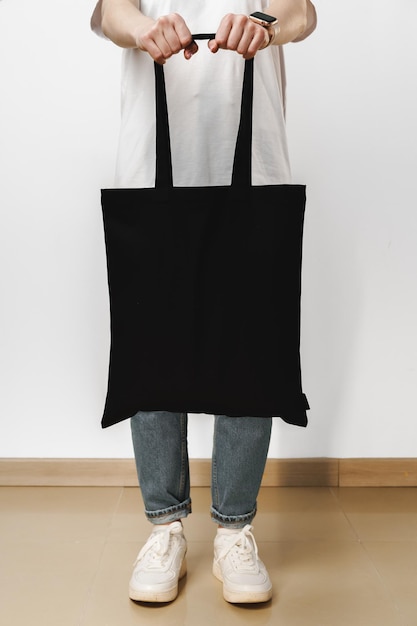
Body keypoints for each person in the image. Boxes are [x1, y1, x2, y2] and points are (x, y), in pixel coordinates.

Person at [91, 0, 317, 605]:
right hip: (152, 146)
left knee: (249, 333)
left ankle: (235, 530)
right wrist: (141, 28)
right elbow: (106, 11)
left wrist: (266, 27)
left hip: (254, 144)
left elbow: (302, 12)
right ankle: (164, 526)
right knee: (152, 333)